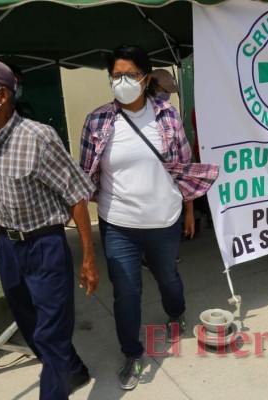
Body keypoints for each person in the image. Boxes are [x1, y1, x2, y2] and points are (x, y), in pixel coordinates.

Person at [0, 59, 99, 400]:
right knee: (32, 328)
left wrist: (88, 256)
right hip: (8, 251)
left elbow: (76, 196)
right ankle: (73, 371)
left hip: (46, 247)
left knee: (51, 335)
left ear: (3, 95)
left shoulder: (38, 137)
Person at [80, 44, 215, 391]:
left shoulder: (167, 116)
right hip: (118, 222)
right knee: (125, 292)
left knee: (167, 275)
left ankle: (176, 313)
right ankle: (132, 354)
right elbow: (85, 175)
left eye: (129, 75)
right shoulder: (97, 121)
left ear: (145, 77)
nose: (122, 81)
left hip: (164, 218)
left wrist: (188, 212)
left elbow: (183, 168)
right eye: (116, 76)